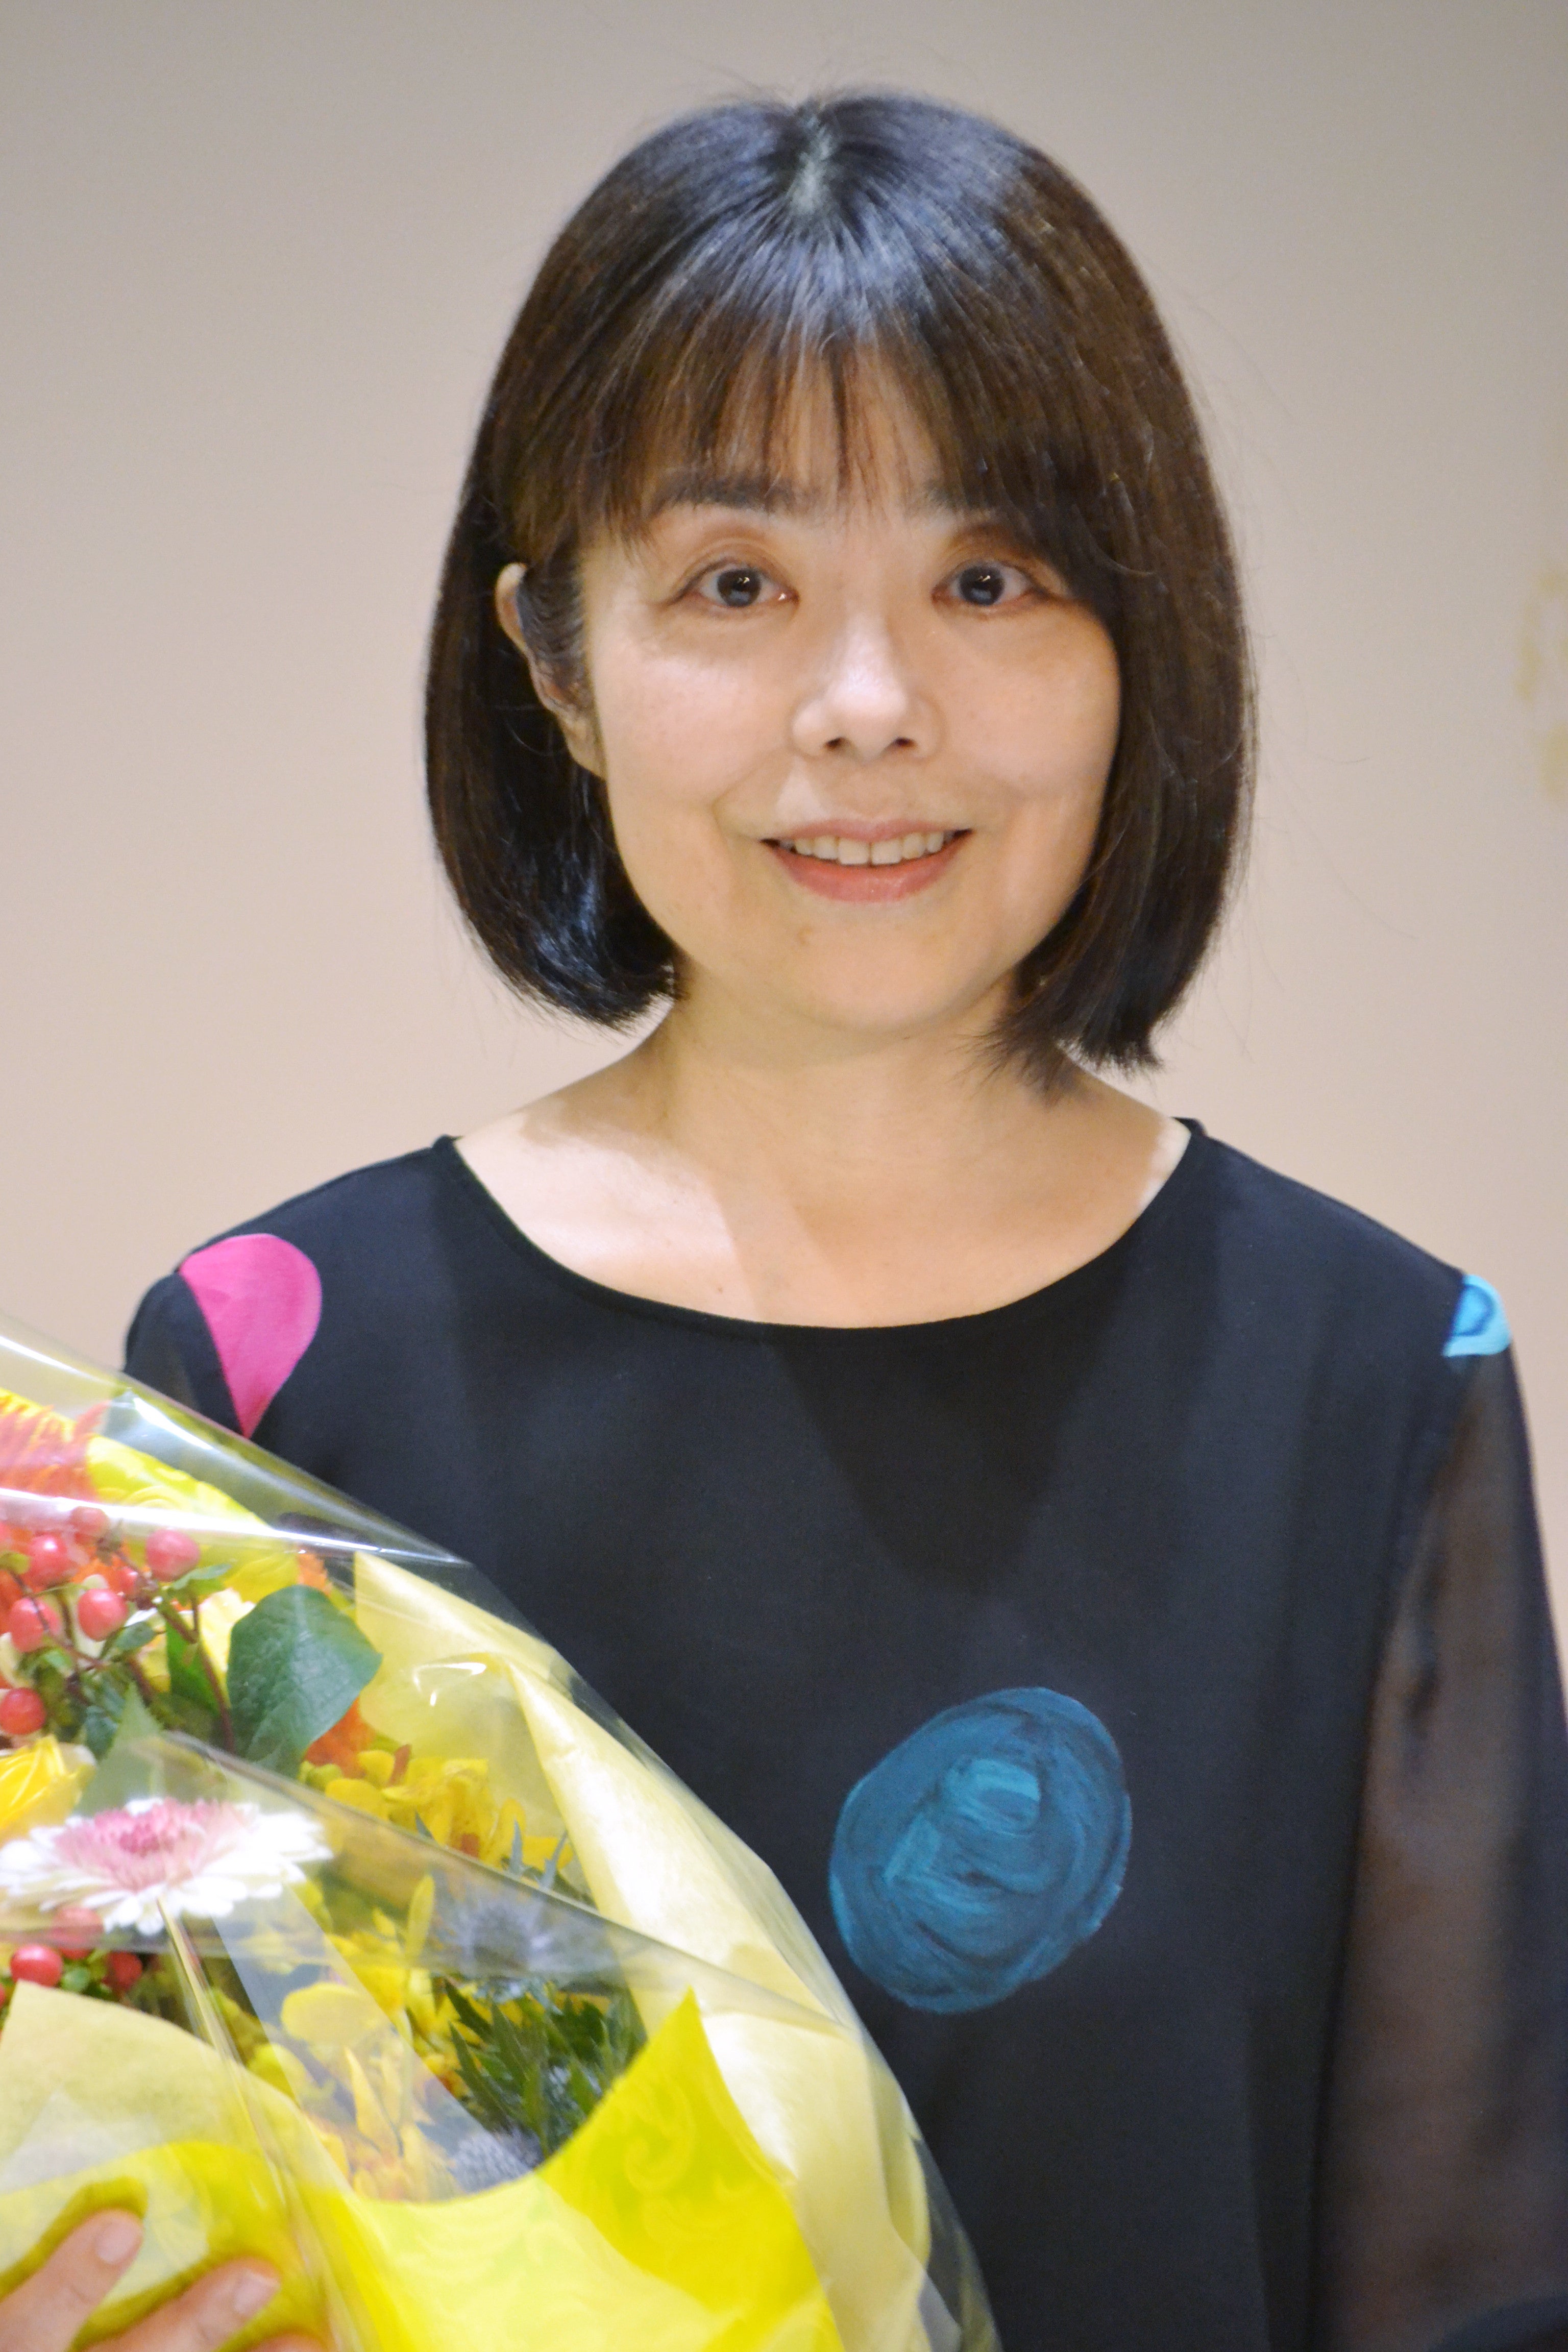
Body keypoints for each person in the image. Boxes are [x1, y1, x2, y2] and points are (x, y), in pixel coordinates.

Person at [25, 90, 1567, 2352]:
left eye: (989, 580)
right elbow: (198, 2161)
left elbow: (1477, 2288)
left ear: (1140, 651)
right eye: (736, 585)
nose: (867, 709)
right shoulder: (279, 1365)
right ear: (557, 663)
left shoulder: (1367, 1378)